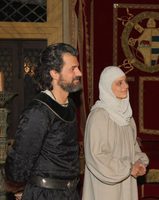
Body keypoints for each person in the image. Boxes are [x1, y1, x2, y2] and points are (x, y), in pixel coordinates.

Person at [4, 43, 82, 200]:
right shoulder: (39, 110)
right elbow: (20, 160)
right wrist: (19, 188)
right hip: (44, 194)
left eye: (78, 67)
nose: (79, 73)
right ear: (54, 73)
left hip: (69, 194)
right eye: (72, 69)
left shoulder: (70, 105)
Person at [82, 66, 149, 200]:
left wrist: (139, 162)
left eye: (125, 81)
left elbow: (132, 149)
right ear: (107, 86)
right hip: (106, 187)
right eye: (119, 83)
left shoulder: (127, 117)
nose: (125, 86)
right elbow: (96, 157)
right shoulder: (99, 116)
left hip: (126, 183)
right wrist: (128, 168)